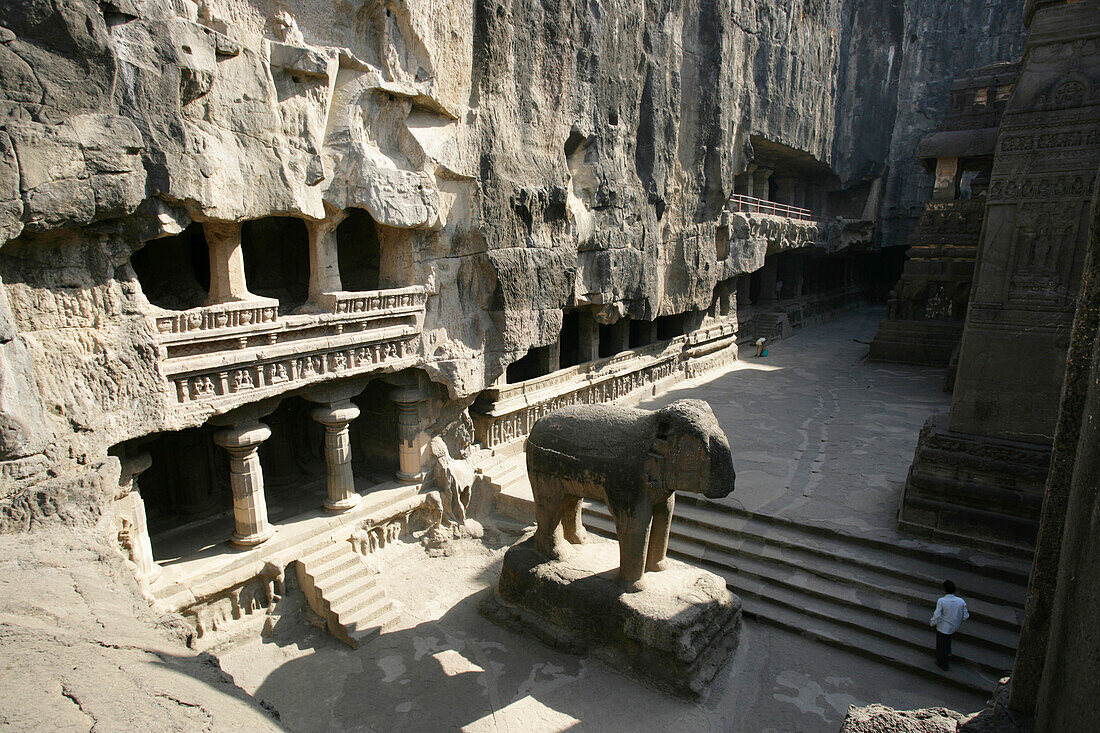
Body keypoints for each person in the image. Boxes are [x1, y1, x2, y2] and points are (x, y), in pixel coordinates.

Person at [930, 580, 969, 670]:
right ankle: (948, 653)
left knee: (941, 644)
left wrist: (932, 623)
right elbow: (965, 615)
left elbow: (937, 615)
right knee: (947, 641)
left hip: (943, 626)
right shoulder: (960, 601)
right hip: (954, 625)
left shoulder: (942, 601)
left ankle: (943, 663)